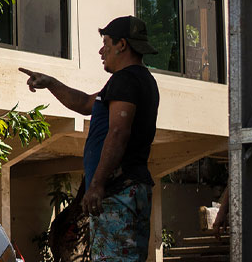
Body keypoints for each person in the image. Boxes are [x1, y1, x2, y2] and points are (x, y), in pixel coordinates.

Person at [20, 15, 160, 262]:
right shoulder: (134, 81)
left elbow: (118, 134)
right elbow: (86, 103)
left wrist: (97, 184)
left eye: (105, 42)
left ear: (122, 45)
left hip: (120, 190)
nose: (100, 50)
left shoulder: (126, 80)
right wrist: (50, 83)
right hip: (126, 188)